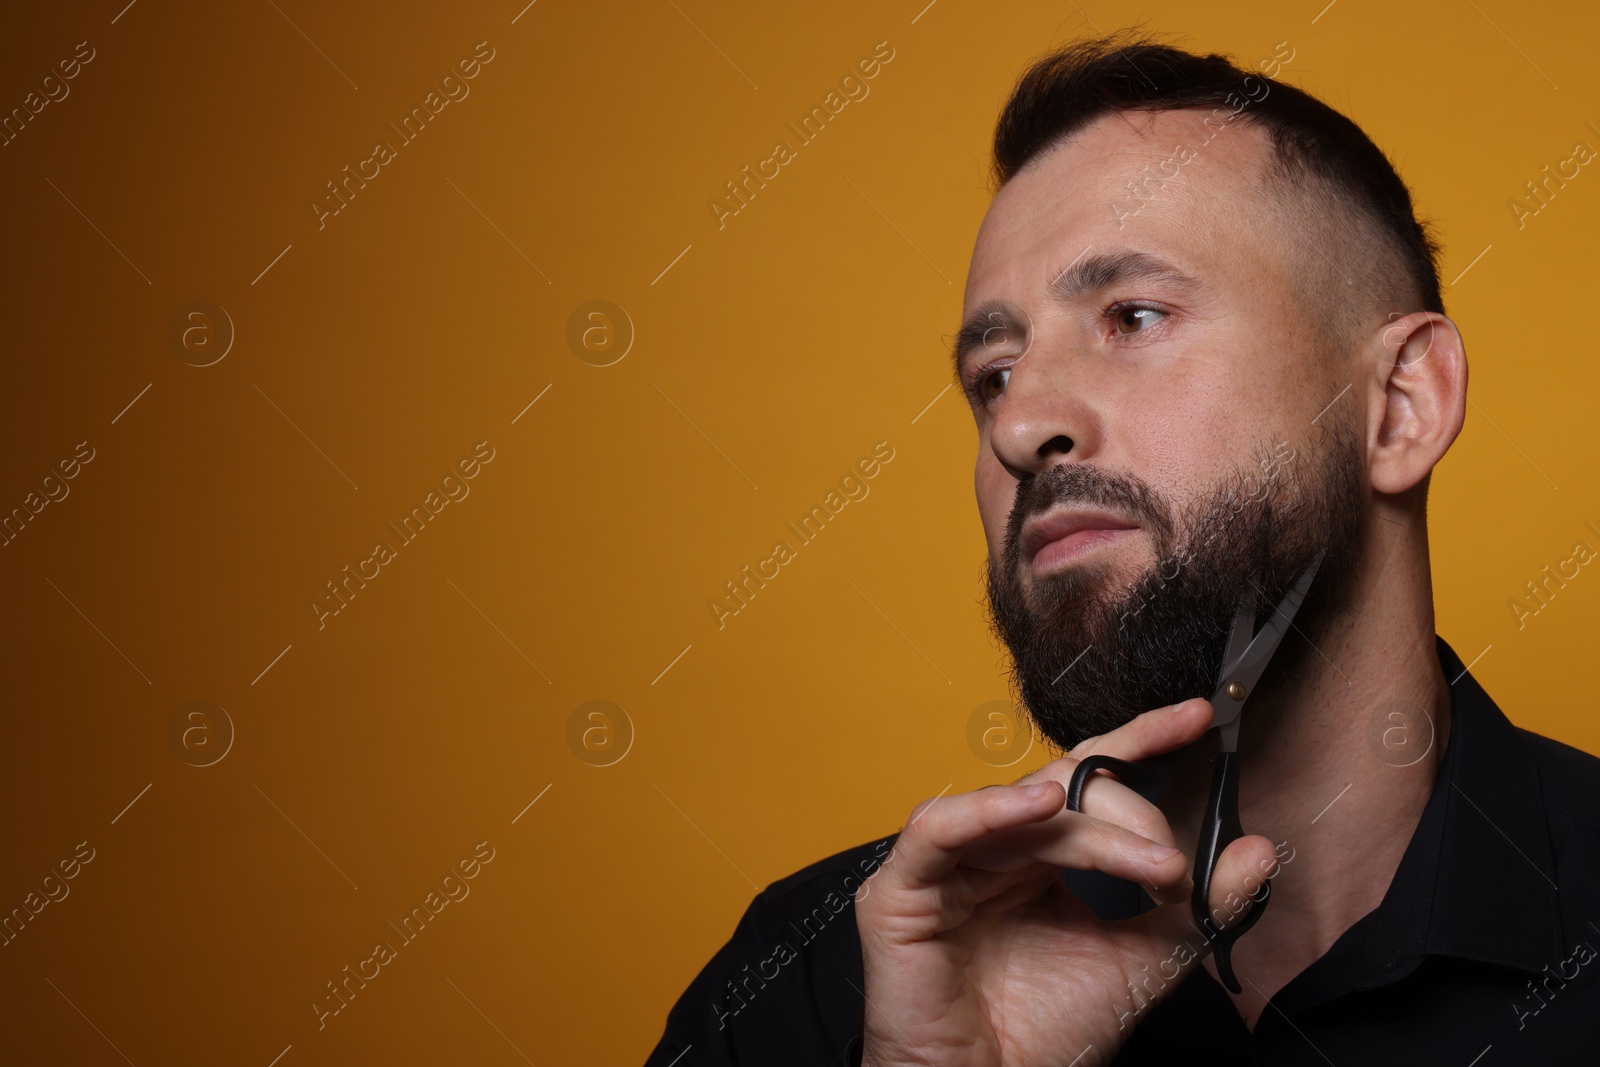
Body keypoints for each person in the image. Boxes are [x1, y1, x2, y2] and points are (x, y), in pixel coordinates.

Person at [644, 32, 1600, 1065]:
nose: (1018, 428)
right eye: (994, 374)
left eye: (1131, 316)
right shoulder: (814, 980)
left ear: (1399, 406)